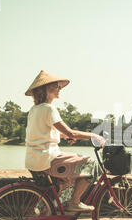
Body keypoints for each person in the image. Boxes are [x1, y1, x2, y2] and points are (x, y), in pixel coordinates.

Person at [24, 70, 105, 212]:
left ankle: (45, 218)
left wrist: (64, 136)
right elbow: (70, 132)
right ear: (48, 89)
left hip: (33, 160)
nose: (60, 88)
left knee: (65, 182)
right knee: (91, 164)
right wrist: (94, 136)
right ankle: (74, 202)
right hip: (47, 159)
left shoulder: (34, 110)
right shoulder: (49, 109)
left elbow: (42, 133)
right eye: (57, 86)